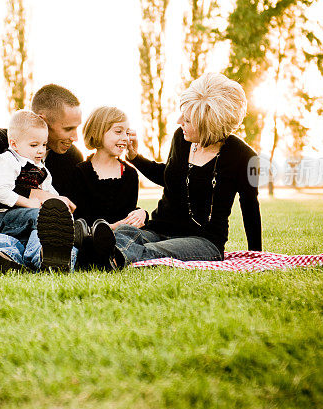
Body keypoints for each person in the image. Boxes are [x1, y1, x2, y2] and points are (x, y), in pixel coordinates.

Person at [93, 73, 262, 266]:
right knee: (126, 232)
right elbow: (169, 177)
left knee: (151, 251)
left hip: (202, 241)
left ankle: (103, 254)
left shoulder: (245, 157)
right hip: (158, 230)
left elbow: (250, 208)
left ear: (210, 126)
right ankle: (97, 248)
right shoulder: (181, 138)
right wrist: (135, 158)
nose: (179, 121)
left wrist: (256, 256)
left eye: (188, 120)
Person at [0, 84, 84, 272]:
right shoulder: (1, 142)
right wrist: (37, 195)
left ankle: (19, 259)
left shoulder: (71, 158)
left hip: (43, 237)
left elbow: (71, 213)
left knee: (60, 244)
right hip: (4, 226)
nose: (75, 137)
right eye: (68, 128)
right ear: (42, 120)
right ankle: (16, 258)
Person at [69, 106, 147, 269]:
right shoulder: (79, 173)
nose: (125, 138)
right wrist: (111, 227)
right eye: (118, 131)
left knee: (139, 239)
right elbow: (79, 221)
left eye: (127, 132)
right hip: (88, 238)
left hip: (121, 239)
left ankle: (113, 256)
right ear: (98, 131)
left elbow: (128, 212)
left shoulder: (131, 174)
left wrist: (142, 213)